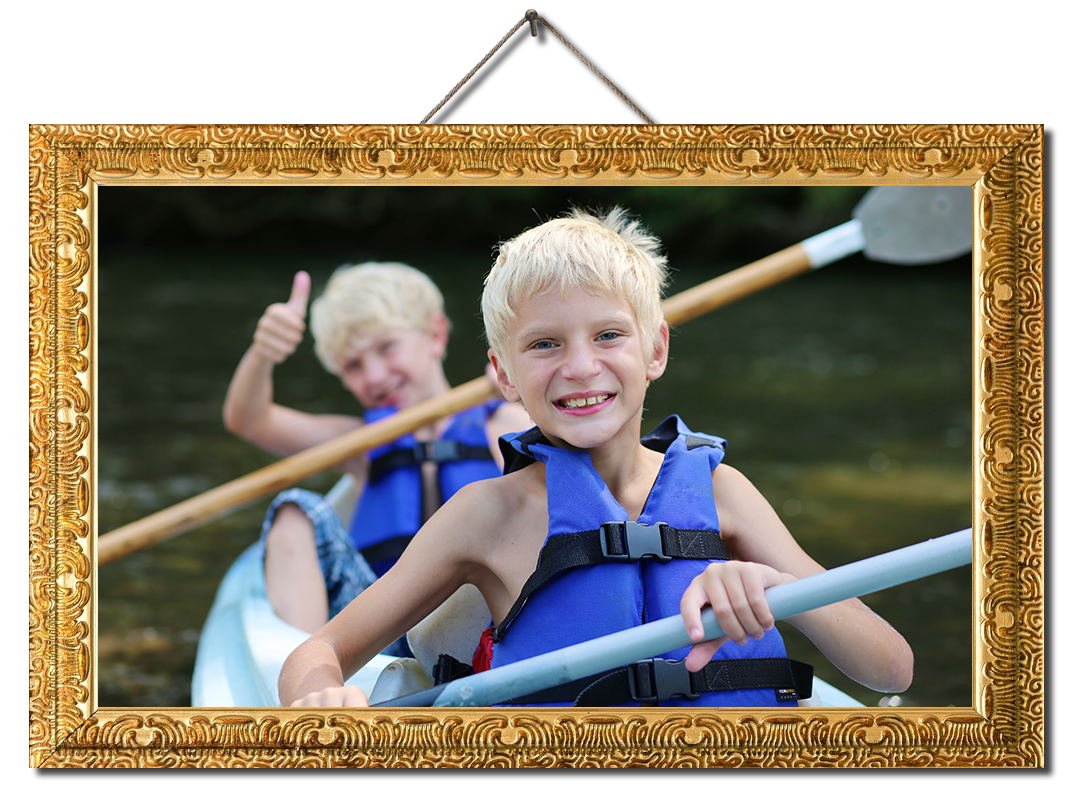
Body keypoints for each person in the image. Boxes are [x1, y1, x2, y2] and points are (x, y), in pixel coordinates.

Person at [278, 209, 914, 707]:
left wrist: (780, 590)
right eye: (545, 344)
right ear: (504, 375)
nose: (581, 367)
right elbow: (319, 651)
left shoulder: (724, 493)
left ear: (655, 350)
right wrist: (319, 696)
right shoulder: (485, 516)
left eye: (609, 335)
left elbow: (890, 667)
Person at [224, 262, 531, 639]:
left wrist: (524, 389)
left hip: (484, 615)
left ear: (435, 335)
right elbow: (250, 420)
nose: (373, 376)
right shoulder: (361, 445)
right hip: (382, 626)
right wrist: (263, 353)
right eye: (353, 365)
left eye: (387, 347)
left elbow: (570, 482)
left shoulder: (504, 422)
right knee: (294, 511)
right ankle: (306, 679)